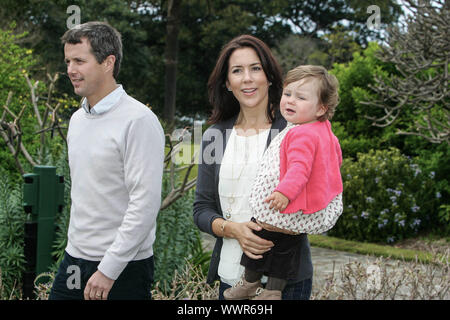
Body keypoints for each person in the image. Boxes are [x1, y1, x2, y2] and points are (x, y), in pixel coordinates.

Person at [49, 21, 165, 300]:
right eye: (67, 61)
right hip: (74, 260)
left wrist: (109, 269)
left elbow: (145, 203)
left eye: (79, 60)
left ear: (108, 62)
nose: (70, 70)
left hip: (124, 267)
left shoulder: (138, 120)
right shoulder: (77, 119)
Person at [193, 35, 313, 300]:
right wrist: (233, 229)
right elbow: (201, 209)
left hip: (284, 283)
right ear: (227, 82)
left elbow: (319, 196)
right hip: (230, 278)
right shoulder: (215, 136)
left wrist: (288, 223)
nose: (247, 78)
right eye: (237, 71)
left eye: (255, 68)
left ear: (269, 76)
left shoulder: (294, 131)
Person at [223, 65, 343, 300]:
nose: (290, 101)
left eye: (301, 97)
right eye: (288, 94)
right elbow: (333, 161)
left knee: (260, 233)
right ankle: (273, 290)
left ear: (321, 108)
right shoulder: (323, 131)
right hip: (301, 209)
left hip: (284, 203)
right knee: (286, 245)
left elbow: (300, 168)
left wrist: (284, 193)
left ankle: (251, 282)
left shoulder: (301, 134)